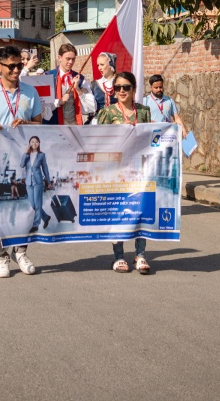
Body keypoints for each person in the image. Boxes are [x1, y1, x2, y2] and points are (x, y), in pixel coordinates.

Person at [0, 45, 44, 278]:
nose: (16, 70)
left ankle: (21, 251)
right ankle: (1, 257)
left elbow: (40, 125)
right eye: (11, 66)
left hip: (25, 160)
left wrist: (26, 125)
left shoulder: (30, 93)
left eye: (19, 65)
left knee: (25, 207)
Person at [96, 71, 153, 274]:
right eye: (117, 87)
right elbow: (98, 140)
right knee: (118, 213)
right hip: (116, 171)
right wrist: (118, 129)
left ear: (133, 89)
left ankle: (141, 254)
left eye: (126, 87)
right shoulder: (108, 113)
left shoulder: (144, 111)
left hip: (139, 170)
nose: (121, 91)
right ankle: (119, 256)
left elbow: (149, 139)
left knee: (140, 211)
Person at [44, 42, 92, 125]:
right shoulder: (47, 77)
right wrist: (58, 102)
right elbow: (42, 106)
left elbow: (91, 107)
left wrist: (78, 90)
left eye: (73, 59)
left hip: (73, 123)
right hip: (54, 124)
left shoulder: (81, 79)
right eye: (68, 58)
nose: (71, 62)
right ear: (59, 58)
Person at [19, 136, 52, 233]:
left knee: (38, 204)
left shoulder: (41, 155)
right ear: (29, 143)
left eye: (36, 142)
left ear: (39, 143)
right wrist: (25, 153)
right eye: (32, 142)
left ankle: (36, 225)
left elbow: (45, 169)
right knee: (33, 204)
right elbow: (21, 165)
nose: (34, 143)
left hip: (38, 182)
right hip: (28, 182)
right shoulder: (27, 155)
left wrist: (48, 182)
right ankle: (45, 217)